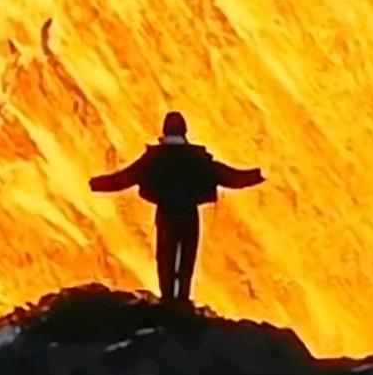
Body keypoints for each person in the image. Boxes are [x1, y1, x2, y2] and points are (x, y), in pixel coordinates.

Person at [89, 111, 264, 305]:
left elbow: (124, 178)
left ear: (165, 130)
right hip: (189, 213)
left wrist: (96, 184)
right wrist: (257, 175)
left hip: (166, 212)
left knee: (166, 257)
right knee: (187, 257)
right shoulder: (197, 158)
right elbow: (230, 177)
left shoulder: (154, 158)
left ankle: (167, 299)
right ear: (184, 131)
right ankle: (183, 299)